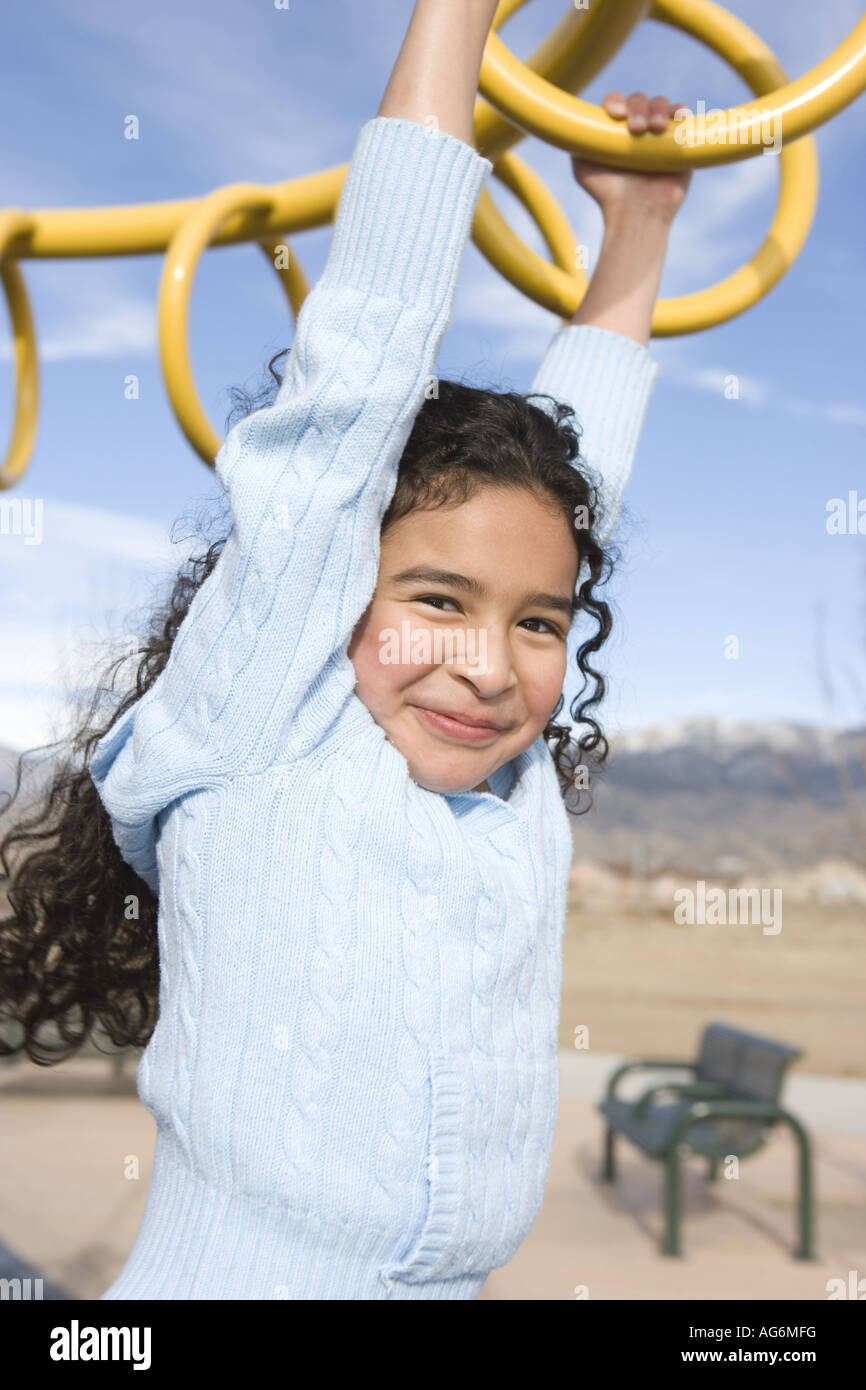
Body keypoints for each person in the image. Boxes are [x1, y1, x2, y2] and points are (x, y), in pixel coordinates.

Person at [0, 0, 690, 1299]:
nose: (490, 664)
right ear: (327, 596)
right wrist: (452, 19)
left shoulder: (504, 790)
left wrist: (637, 222)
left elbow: (577, 489)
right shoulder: (270, 723)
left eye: (536, 623)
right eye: (435, 599)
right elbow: (355, 378)